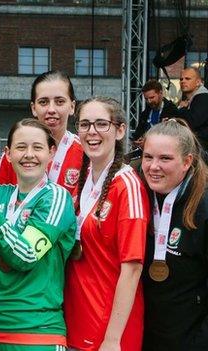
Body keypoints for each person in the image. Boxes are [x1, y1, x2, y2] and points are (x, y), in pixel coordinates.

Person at [0, 118, 76, 350]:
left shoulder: (56, 198)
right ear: (8, 154)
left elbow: (25, 256)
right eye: (21, 147)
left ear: (51, 152)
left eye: (37, 147)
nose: (29, 154)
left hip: (34, 331)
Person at [64, 96, 149, 351]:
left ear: (120, 130)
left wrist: (112, 339)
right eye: (85, 124)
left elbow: (132, 268)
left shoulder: (127, 185)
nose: (92, 132)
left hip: (109, 333)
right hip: (76, 323)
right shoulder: (84, 179)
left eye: (102, 124)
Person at [140, 118, 208, 351]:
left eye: (165, 158)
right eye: (148, 157)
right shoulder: (140, 194)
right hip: (145, 335)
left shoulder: (203, 206)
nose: (153, 166)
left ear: (187, 161)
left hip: (189, 339)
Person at [0, 70, 83, 193]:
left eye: (60, 101)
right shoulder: (15, 155)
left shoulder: (85, 153)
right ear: (34, 108)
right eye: (43, 102)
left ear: (72, 107)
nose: (51, 109)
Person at [131, 79, 178, 148]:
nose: (149, 101)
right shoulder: (145, 113)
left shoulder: (172, 111)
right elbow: (138, 133)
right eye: (146, 99)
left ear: (161, 93)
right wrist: (137, 141)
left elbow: (173, 137)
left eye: (152, 97)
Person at [177, 67, 208, 149]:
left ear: (198, 82)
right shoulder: (193, 99)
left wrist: (182, 109)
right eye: (181, 79)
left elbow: (193, 122)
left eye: (187, 78)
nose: (183, 81)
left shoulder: (203, 97)